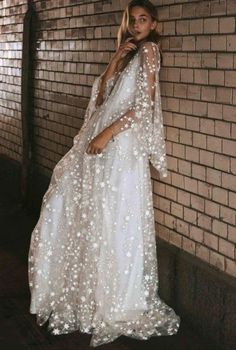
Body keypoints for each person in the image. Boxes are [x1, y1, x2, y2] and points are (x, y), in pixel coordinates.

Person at [28, 0, 181, 347]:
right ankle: (89, 291)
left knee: (115, 218)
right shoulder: (128, 55)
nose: (137, 25)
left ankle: (118, 299)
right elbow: (99, 99)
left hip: (121, 148)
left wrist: (107, 134)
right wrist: (114, 60)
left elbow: (144, 106)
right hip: (100, 146)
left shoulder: (151, 53)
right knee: (79, 210)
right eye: (132, 20)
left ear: (154, 24)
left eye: (144, 19)